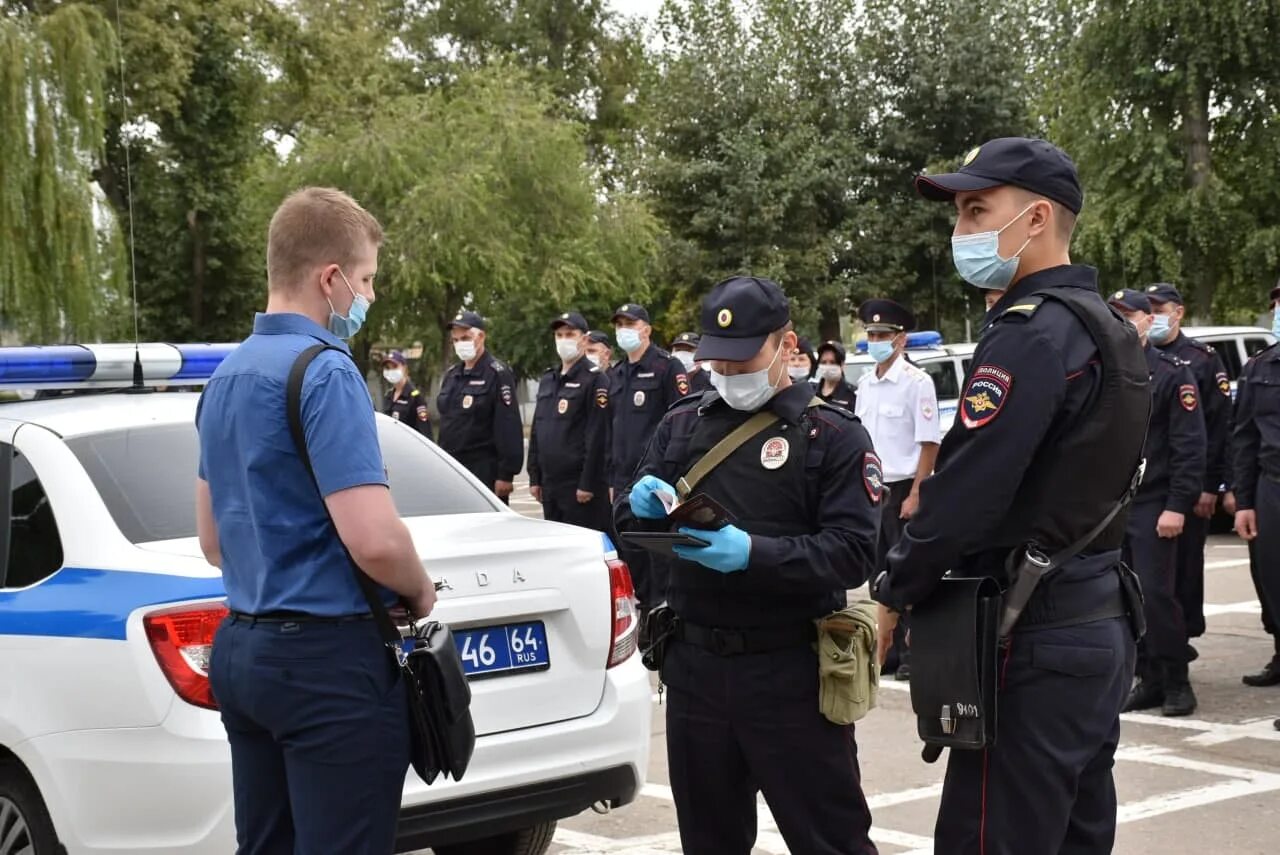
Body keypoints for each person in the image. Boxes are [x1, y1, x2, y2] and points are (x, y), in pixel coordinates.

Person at [873, 137, 1149, 854]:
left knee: (989, 837)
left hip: (1033, 633)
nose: (960, 233)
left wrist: (893, 589)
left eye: (975, 210)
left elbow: (965, 492)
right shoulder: (1108, 326)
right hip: (1096, 619)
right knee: (1074, 835)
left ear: (1035, 219)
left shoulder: (1030, 336)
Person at [195, 187, 436, 854]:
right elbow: (375, 539)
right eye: (365, 281)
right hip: (327, 664)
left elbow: (213, 541)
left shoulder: (225, 378)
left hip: (245, 652)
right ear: (329, 279)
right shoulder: (326, 373)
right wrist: (419, 590)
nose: (369, 297)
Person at [614, 275, 881, 855]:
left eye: (743, 360)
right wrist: (635, 504)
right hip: (695, 670)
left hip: (791, 673)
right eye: (718, 363)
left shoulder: (831, 435)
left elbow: (854, 551)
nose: (730, 375)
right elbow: (627, 517)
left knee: (830, 840)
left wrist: (753, 554)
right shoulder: (682, 423)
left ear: (785, 345)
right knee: (709, 841)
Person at [1108, 289, 1206, 716]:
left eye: (1130, 315)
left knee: (1155, 594)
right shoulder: (1107, 370)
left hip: (1155, 502)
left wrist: (1178, 504)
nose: (1123, 322)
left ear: (1148, 320)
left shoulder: (1171, 374)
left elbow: (1190, 446)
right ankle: (1146, 675)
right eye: (1116, 316)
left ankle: (1176, 680)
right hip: (1114, 504)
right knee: (1120, 596)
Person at [855, 298, 941, 680]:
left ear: (900, 339)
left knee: (905, 569)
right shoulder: (865, 383)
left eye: (883, 335)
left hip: (904, 486)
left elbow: (929, 443)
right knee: (877, 571)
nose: (876, 340)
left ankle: (912, 652)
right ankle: (887, 652)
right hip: (872, 488)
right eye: (871, 334)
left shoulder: (916, 383)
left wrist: (918, 492)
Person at [1147, 282, 1231, 658]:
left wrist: (1210, 486)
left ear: (1177, 312)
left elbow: (1216, 430)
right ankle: (1162, 649)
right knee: (1154, 581)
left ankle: (1179, 642)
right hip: (1151, 489)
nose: (1153, 317)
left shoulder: (1201, 359)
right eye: (1146, 309)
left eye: (1158, 308)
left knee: (1184, 572)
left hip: (1190, 486)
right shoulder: (1136, 360)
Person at [607, 302, 690, 611]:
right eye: (619, 325)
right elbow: (611, 429)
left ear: (647, 329)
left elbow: (682, 422)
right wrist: (610, 477)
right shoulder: (616, 373)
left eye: (630, 323)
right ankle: (639, 614)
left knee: (658, 555)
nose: (623, 330)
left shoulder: (667, 367)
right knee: (629, 550)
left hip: (656, 477)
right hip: (622, 476)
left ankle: (662, 610)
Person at [1231, 284, 1280, 693]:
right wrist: (1244, 500)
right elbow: (1244, 437)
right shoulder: (1259, 368)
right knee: (1271, 582)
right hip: (1271, 488)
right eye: (1278, 304)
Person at [527, 312, 611, 531]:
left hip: (578, 487)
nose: (564, 340)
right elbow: (538, 430)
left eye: (570, 334)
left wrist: (588, 483)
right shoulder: (548, 379)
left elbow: (597, 435)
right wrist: (534, 477)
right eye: (559, 335)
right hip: (550, 483)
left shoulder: (595, 379)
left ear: (583, 339)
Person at [437, 310, 524, 504]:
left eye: (466, 338)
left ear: (481, 337)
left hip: (484, 469)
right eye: (456, 340)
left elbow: (507, 425)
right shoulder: (452, 375)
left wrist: (506, 474)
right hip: (454, 468)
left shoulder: (497, 374)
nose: (461, 344)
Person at [380, 350, 433, 441]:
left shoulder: (415, 398)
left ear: (404, 368)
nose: (391, 371)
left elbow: (425, 433)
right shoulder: (388, 396)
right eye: (388, 368)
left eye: (395, 367)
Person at [815, 340, 857, 410]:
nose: (827, 366)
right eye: (824, 362)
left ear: (842, 364)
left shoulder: (853, 395)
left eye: (832, 362)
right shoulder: (811, 392)